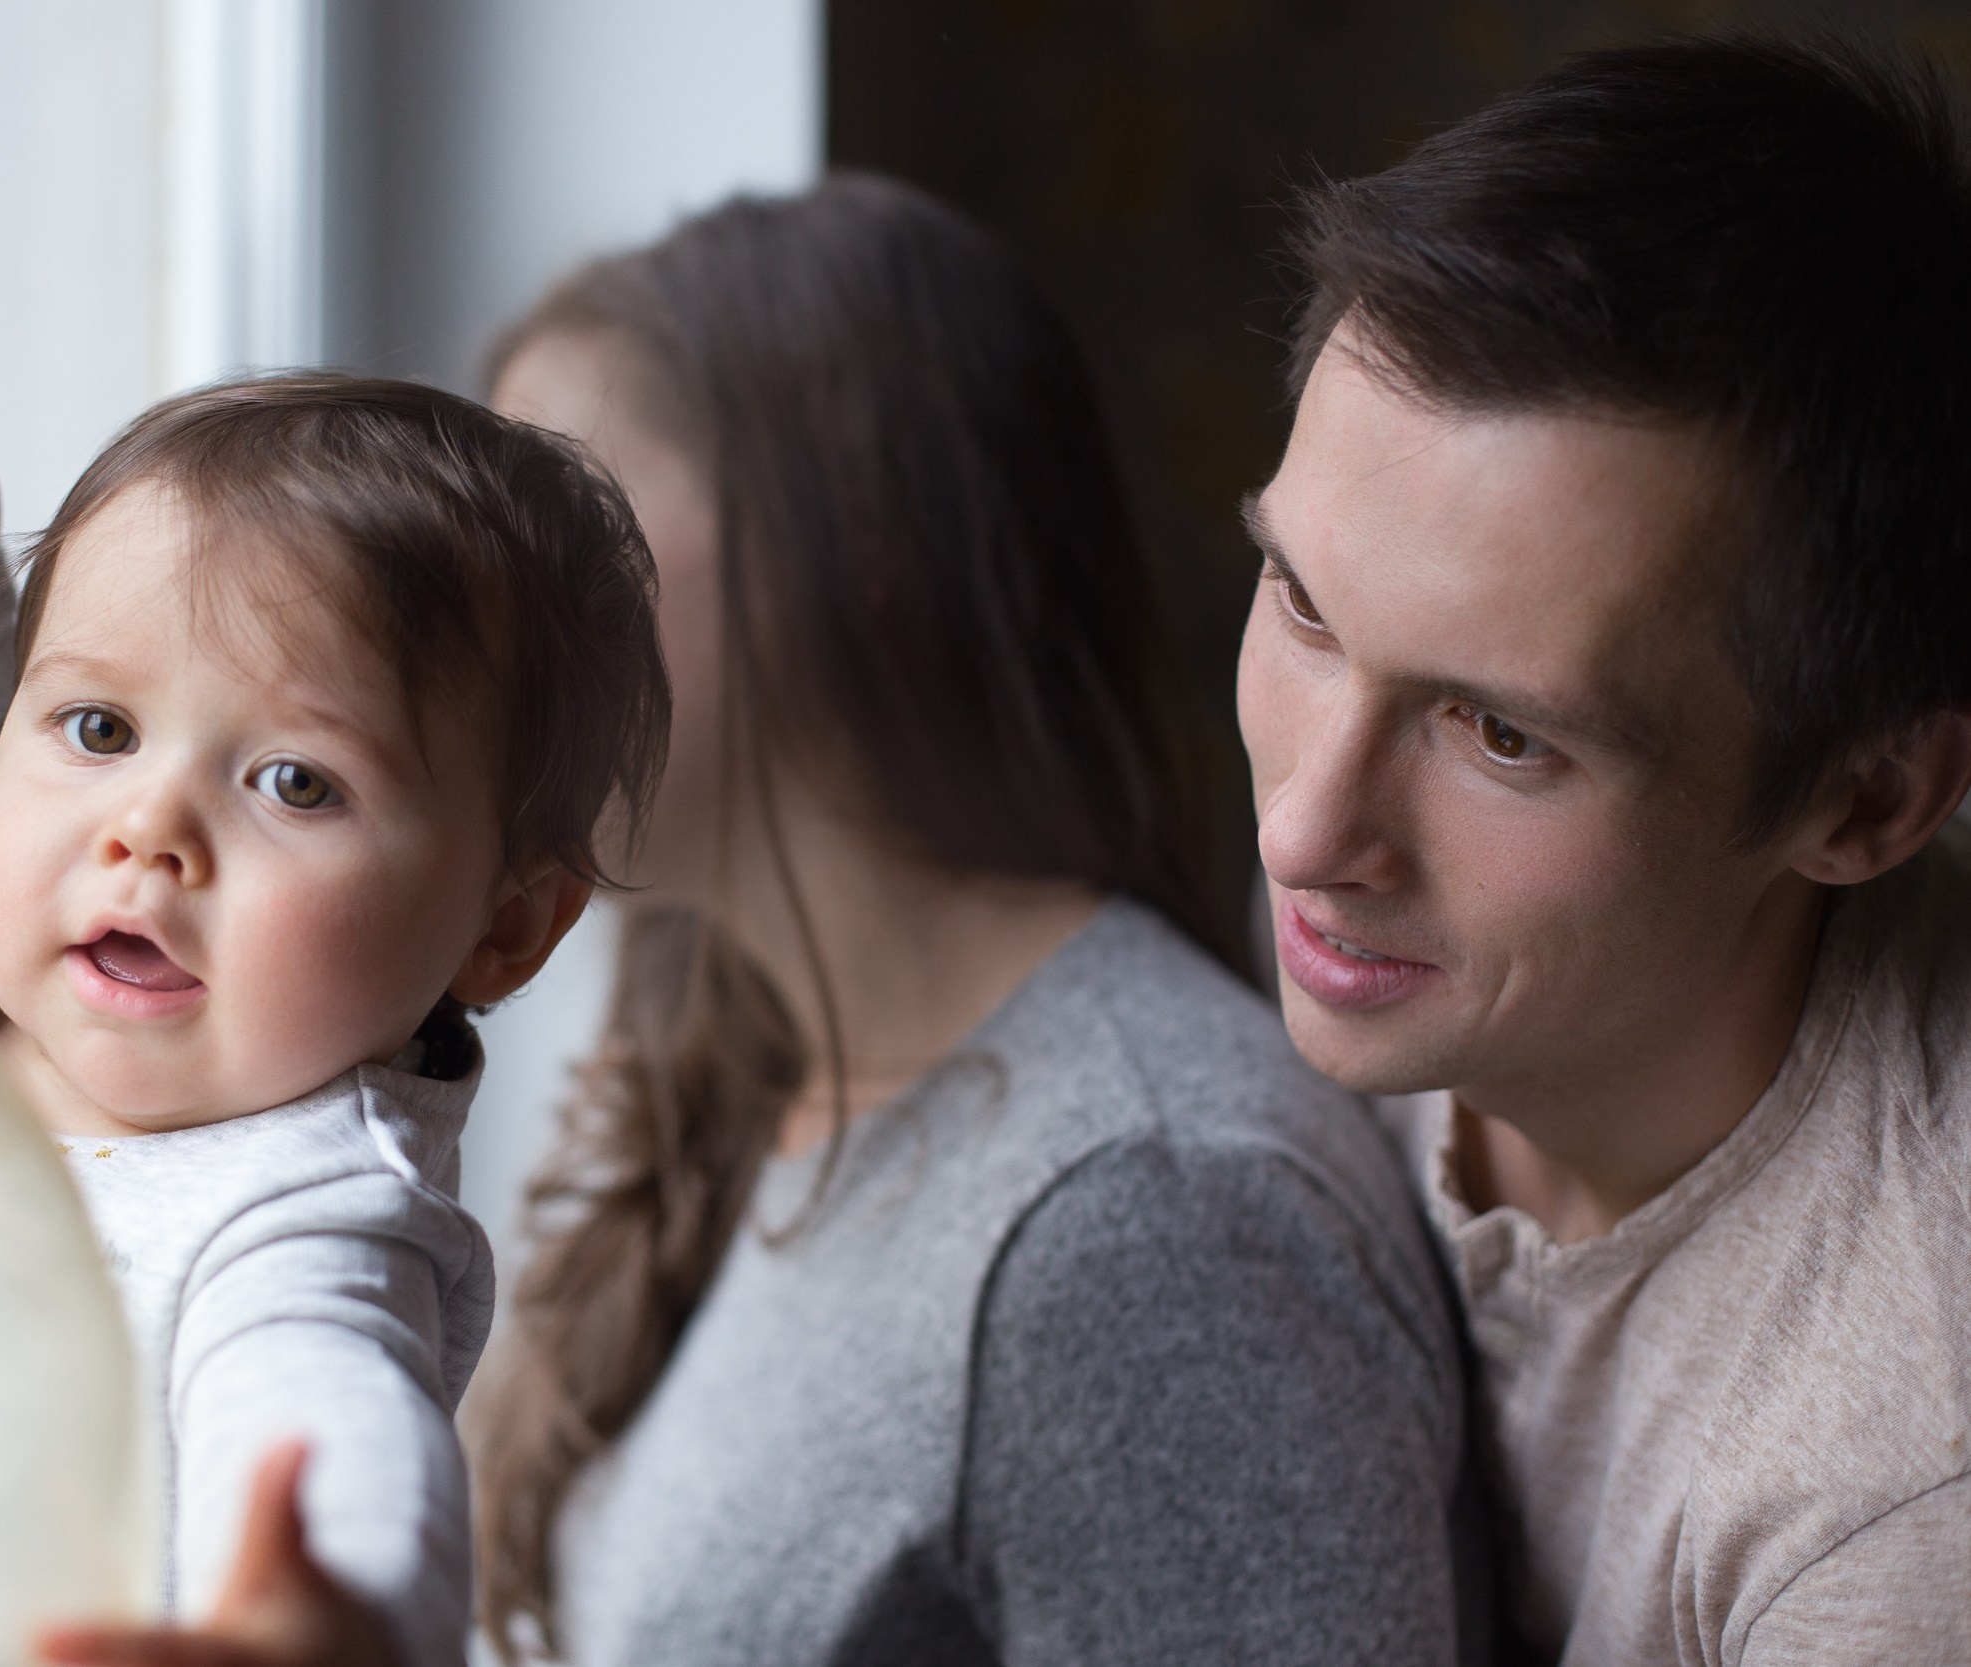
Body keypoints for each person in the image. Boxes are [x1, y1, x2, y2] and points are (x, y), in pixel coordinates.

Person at [459, 175, 1481, 1666]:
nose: (463, 623)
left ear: (854, 525)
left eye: (550, 529)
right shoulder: (765, 1063)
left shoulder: (1148, 1214)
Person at [1237, 36, 1971, 1666]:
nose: (1303, 828)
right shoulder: (1374, 902)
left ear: (1867, 804)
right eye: (1300, 604)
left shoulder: (1905, 1511)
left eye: (1502, 736)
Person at [0, 372, 668, 1667]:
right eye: (99, 725)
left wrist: (324, 1617)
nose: (146, 831)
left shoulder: (297, 1211)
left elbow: (336, 1421)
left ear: (503, 927)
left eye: (295, 783)